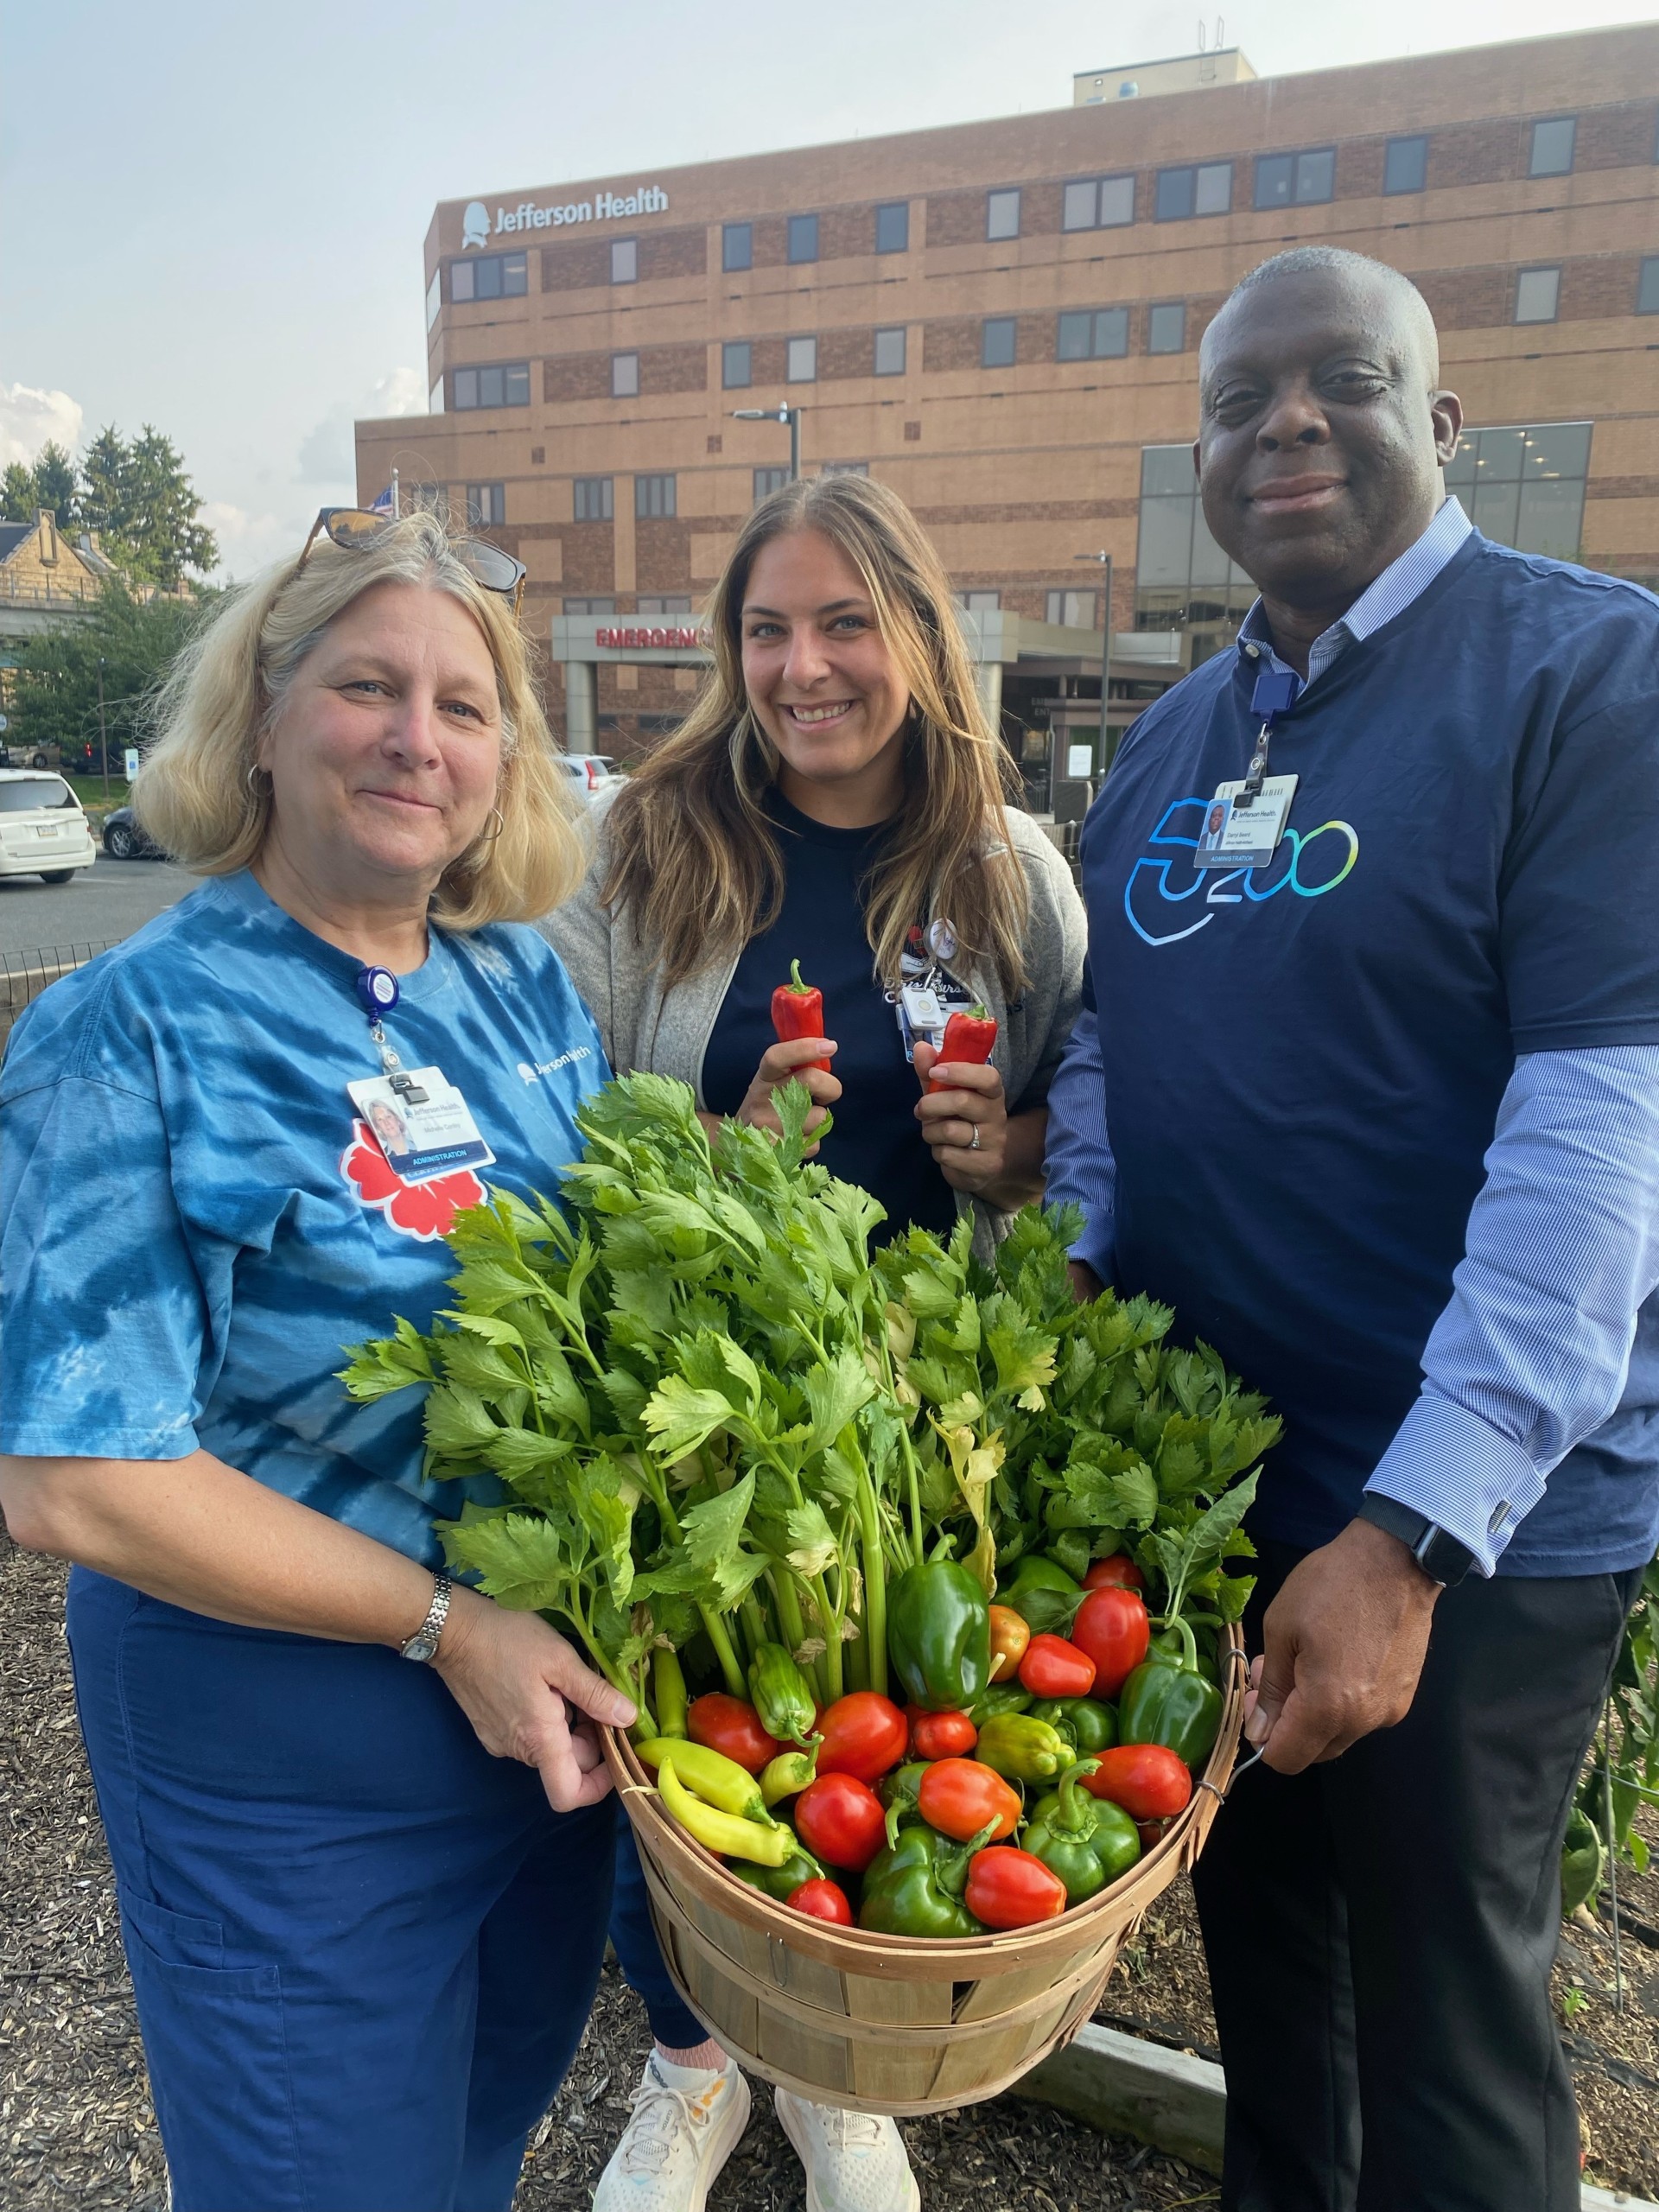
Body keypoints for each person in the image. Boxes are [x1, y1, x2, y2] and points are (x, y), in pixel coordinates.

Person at [1045, 245, 1659, 2211]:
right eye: (1238, 401)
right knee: (1273, 1987)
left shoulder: (1586, 677)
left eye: (1344, 380)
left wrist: (1405, 1535)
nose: (1284, 423)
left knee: (1450, 2037)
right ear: (1203, 461)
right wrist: (1061, 1270)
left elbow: (1602, 1136)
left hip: (1469, 1534)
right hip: (1227, 1496)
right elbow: (1106, 1070)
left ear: (1444, 422)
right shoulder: (1171, 741)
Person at [0, 509, 639, 2212]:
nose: (416, 737)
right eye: (367, 683)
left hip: (529, 1738)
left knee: (475, 2147)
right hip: (286, 1763)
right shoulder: (129, 1025)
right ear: (262, 719)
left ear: (507, 760)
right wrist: (444, 1623)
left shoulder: (518, 995)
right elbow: (77, 1475)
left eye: (463, 703)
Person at [545, 470, 1086, 2212]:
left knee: (869, 1724)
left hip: (929, 1394)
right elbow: (541, 1121)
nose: (805, 666)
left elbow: (1094, 1120)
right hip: (700, 1392)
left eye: (847, 621)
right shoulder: (649, 844)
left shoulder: (1013, 875)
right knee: (671, 1726)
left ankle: (834, 2059)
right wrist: (715, 1150)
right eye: (768, 628)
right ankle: (694, 2058)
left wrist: (1017, 1152)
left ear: (917, 637)